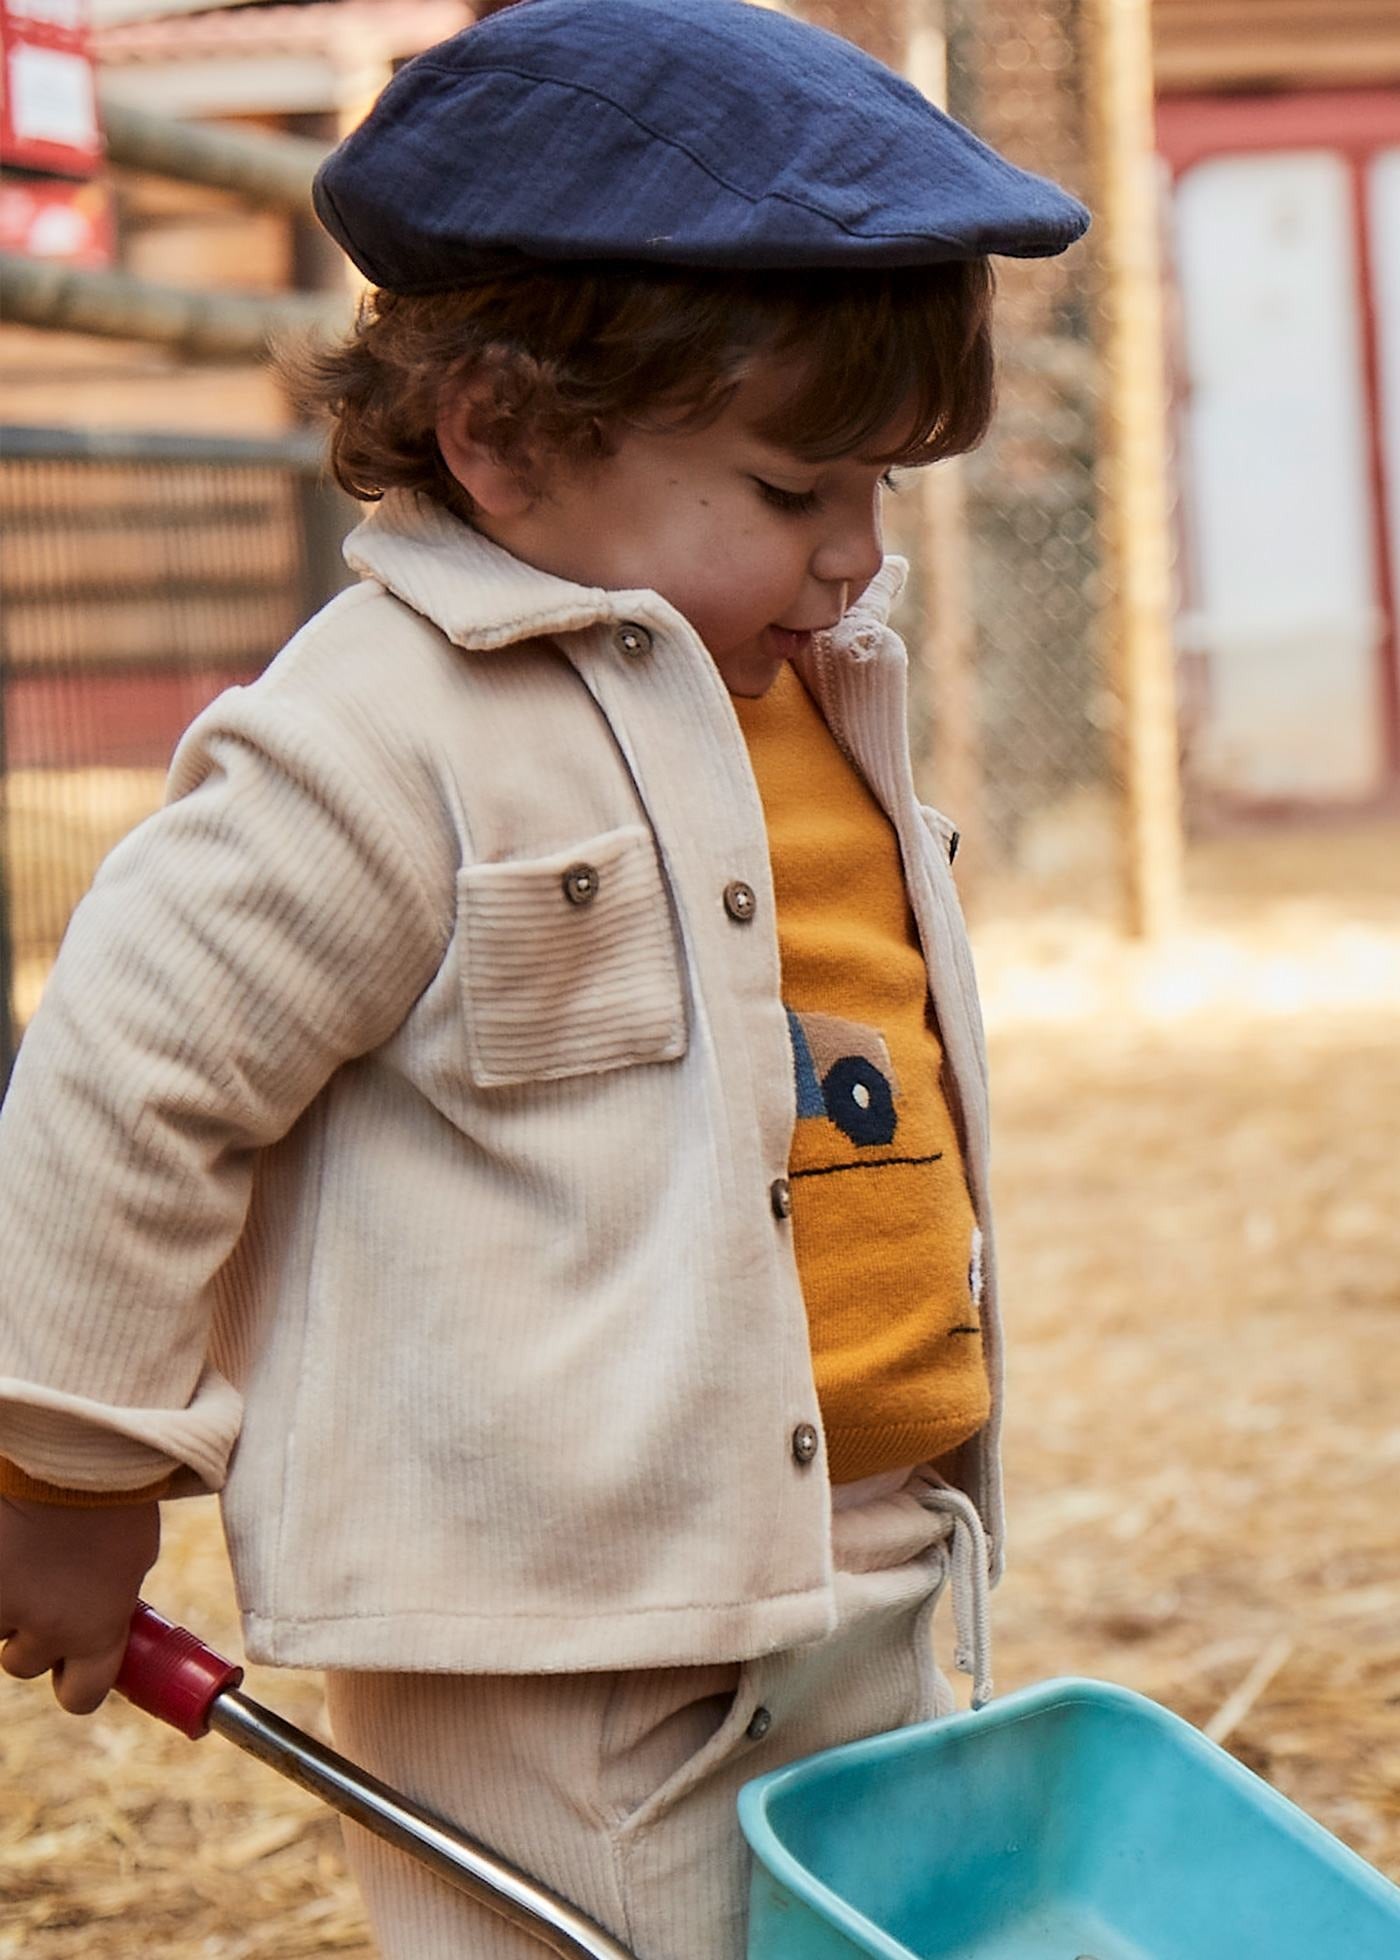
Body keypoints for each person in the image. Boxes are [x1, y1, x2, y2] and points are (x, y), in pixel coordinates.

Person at [0, 2, 1088, 1952]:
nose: (855, 559)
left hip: (862, 1553)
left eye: (883, 493)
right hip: (557, 1638)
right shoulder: (382, 735)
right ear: (502, 439)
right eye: (791, 490)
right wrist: (63, 1465)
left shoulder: (808, 692)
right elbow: (128, 1070)